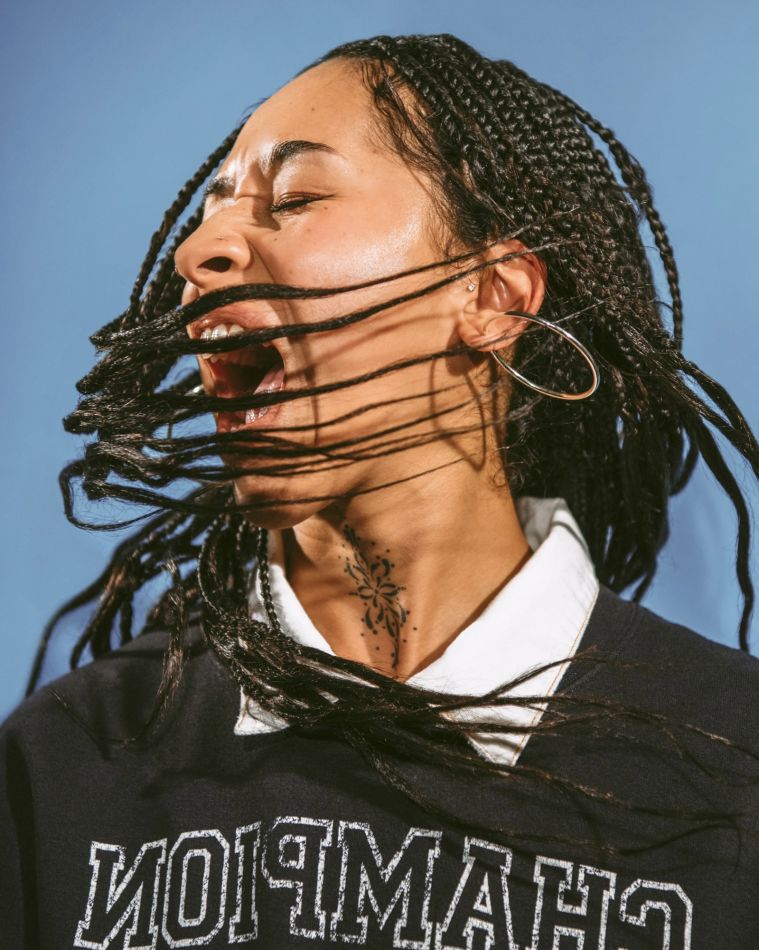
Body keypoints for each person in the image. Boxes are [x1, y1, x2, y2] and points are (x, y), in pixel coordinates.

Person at [2, 32, 758, 949]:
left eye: (295, 199)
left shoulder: (734, 761)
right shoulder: (65, 764)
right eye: (207, 214)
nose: (199, 250)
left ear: (492, 297)